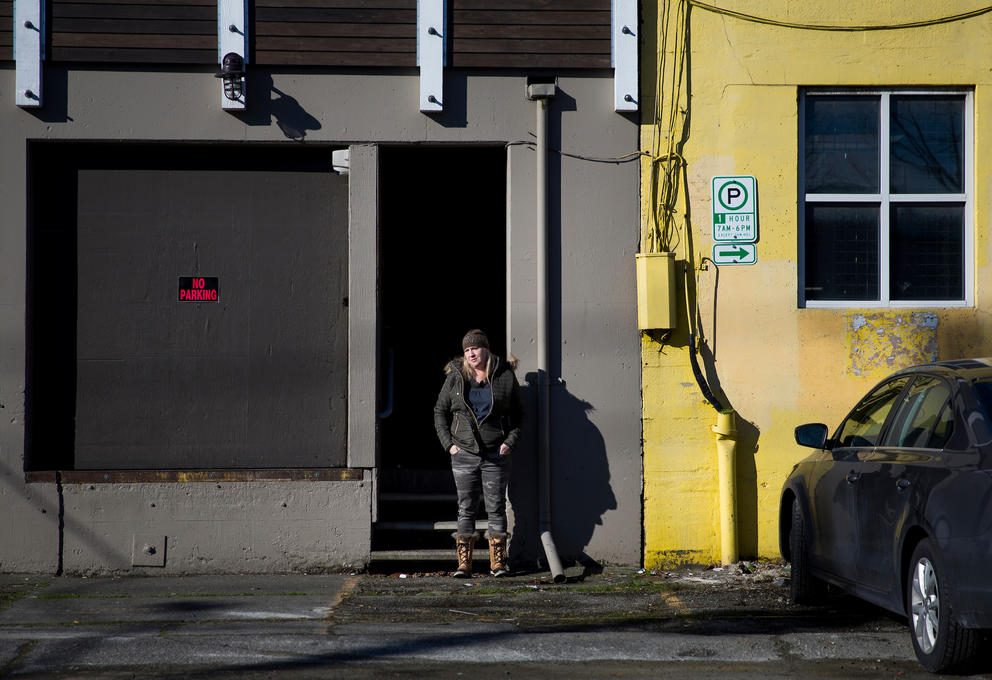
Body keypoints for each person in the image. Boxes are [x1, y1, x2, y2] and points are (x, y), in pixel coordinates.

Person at [433, 329, 524, 577]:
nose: (471, 353)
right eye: (466, 350)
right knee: (466, 507)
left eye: (475, 348)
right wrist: (448, 444)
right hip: (463, 453)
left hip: (496, 453)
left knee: (496, 507)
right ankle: (465, 564)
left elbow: (519, 415)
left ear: (486, 349)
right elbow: (440, 412)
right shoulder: (455, 377)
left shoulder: (505, 376)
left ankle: (498, 563)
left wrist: (510, 442)